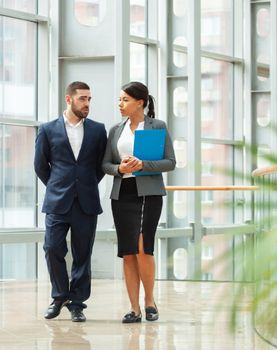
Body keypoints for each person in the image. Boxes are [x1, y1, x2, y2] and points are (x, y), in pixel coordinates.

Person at [101, 81, 176, 323]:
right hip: (123, 192)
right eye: (119, 100)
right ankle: (134, 308)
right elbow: (105, 165)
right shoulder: (115, 130)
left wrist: (143, 165)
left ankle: (149, 300)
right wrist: (120, 168)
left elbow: (170, 162)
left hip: (149, 192)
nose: (120, 104)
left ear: (140, 102)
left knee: (144, 247)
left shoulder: (157, 126)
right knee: (129, 252)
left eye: (125, 100)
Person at [34, 81, 107, 322]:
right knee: (52, 248)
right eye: (82, 99)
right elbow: (40, 166)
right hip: (57, 200)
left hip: (86, 201)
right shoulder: (47, 129)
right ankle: (59, 296)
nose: (87, 103)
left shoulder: (98, 130)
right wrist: (59, 186)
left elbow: (100, 167)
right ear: (69, 99)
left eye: (89, 99)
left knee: (82, 254)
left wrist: (83, 185)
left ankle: (77, 303)